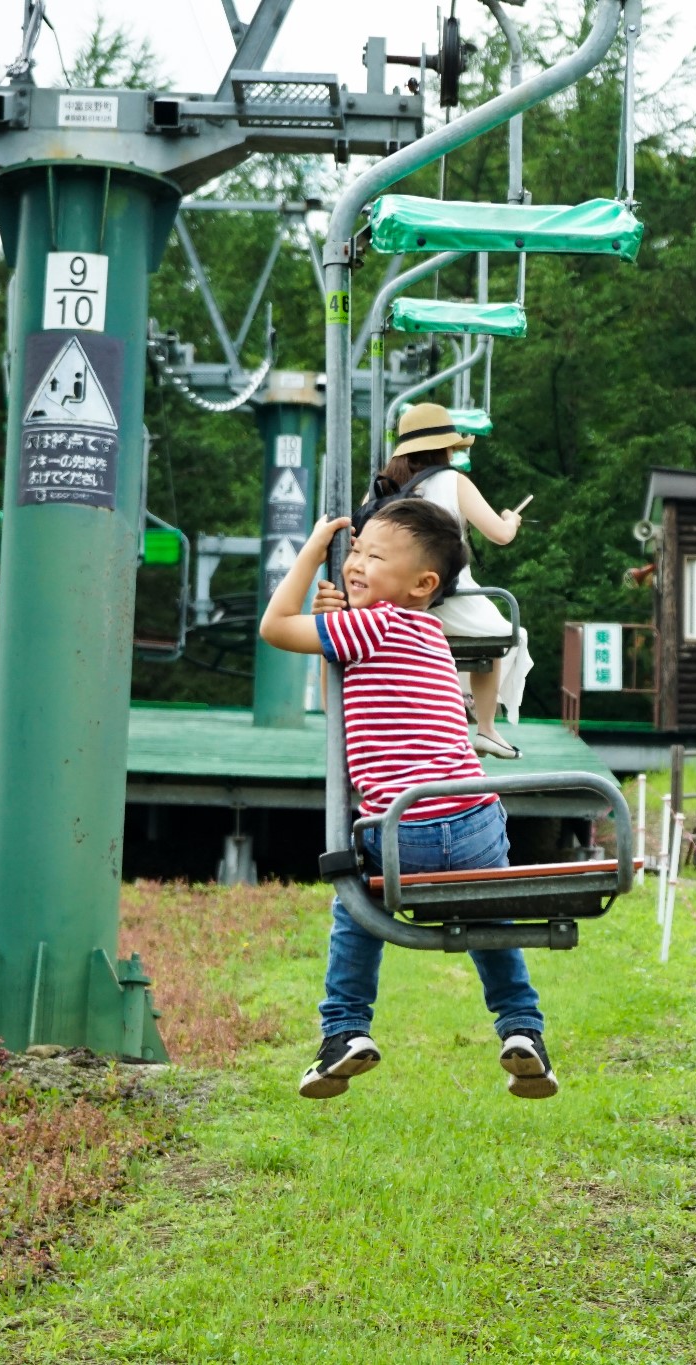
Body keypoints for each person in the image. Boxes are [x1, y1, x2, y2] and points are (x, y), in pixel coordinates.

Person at [258, 502, 558, 1102]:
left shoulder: (374, 625)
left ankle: (344, 1030)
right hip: (472, 819)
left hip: (400, 829)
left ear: (423, 584)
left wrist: (311, 552)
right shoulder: (430, 635)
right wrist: (334, 616)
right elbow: (338, 692)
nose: (356, 564)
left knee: (356, 906)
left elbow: (274, 627)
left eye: (374, 556)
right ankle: (522, 1029)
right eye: (354, 551)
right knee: (488, 912)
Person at [381, 402, 533, 760]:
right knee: (504, 633)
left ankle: (444, 711)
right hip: (449, 601)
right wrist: (511, 519)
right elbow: (499, 534)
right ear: (444, 447)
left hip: (390, 605)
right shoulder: (453, 481)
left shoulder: (384, 485)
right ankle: (486, 727)